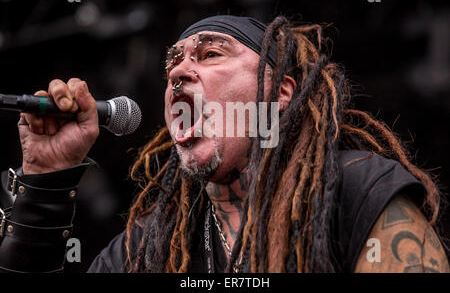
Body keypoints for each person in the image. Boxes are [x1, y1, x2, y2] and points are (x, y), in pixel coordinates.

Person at [0, 15, 448, 273]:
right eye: (172, 65)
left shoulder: (359, 193)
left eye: (211, 54)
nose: (177, 72)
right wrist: (45, 186)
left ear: (280, 93)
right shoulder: (145, 251)